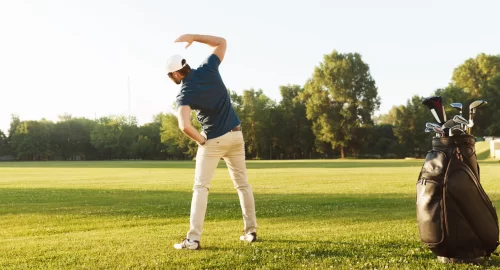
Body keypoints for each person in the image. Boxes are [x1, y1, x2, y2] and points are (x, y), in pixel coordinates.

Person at [166, 34, 258, 250]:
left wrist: (201, 140)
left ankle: (193, 239)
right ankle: (250, 231)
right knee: (243, 185)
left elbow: (184, 126)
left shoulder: (185, 93)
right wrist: (194, 38)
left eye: (171, 76)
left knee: (201, 187)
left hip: (214, 140)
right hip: (237, 136)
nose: (173, 79)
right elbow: (222, 42)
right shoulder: (208, 68)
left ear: (178, 73)